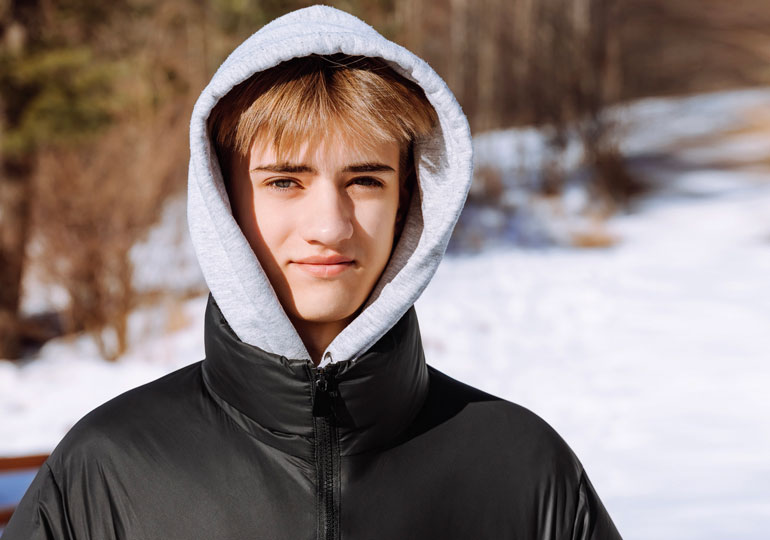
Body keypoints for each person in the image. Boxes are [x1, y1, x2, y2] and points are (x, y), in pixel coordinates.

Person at [4, 5, 622, 539]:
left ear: (410, 200)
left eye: (365, 180)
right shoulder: (108, 468)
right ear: (225, 200)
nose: (330, 225)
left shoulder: (519, 466)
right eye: (284, 181)